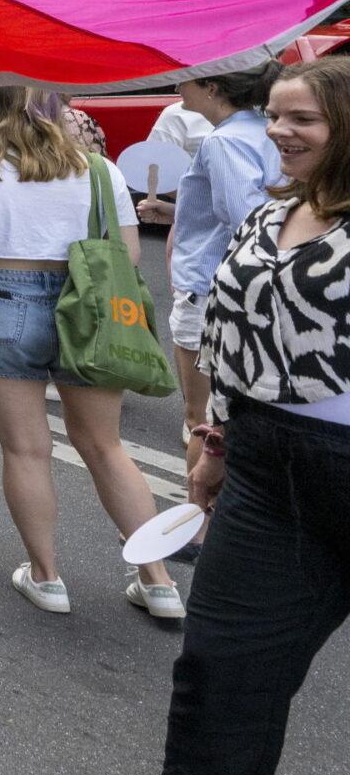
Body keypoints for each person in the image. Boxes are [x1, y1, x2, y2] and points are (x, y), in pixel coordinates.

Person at [72, 61, 350, 775]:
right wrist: (215, 444)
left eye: (304, 119)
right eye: (275, 115)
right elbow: (234, 338)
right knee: (221, 659)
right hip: (267, 464)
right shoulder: (274, 208)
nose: (280, 131)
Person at [0, 87, 180, 620]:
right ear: (59, 108)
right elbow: (129, 252)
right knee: (106, 447)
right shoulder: (98, 169)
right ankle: (157, 582)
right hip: (85, 306)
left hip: (0, 299)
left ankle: (47, 577)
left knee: (26, 450)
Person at [134, 64, 282, 479]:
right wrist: (179, 211)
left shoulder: (224, 141)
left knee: (201, 418)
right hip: (249, 286)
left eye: (188, 79)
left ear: (212, 88)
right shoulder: (263, 129)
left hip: (210, 287)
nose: (178, 86)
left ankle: (198, 519)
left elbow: (245, 217)